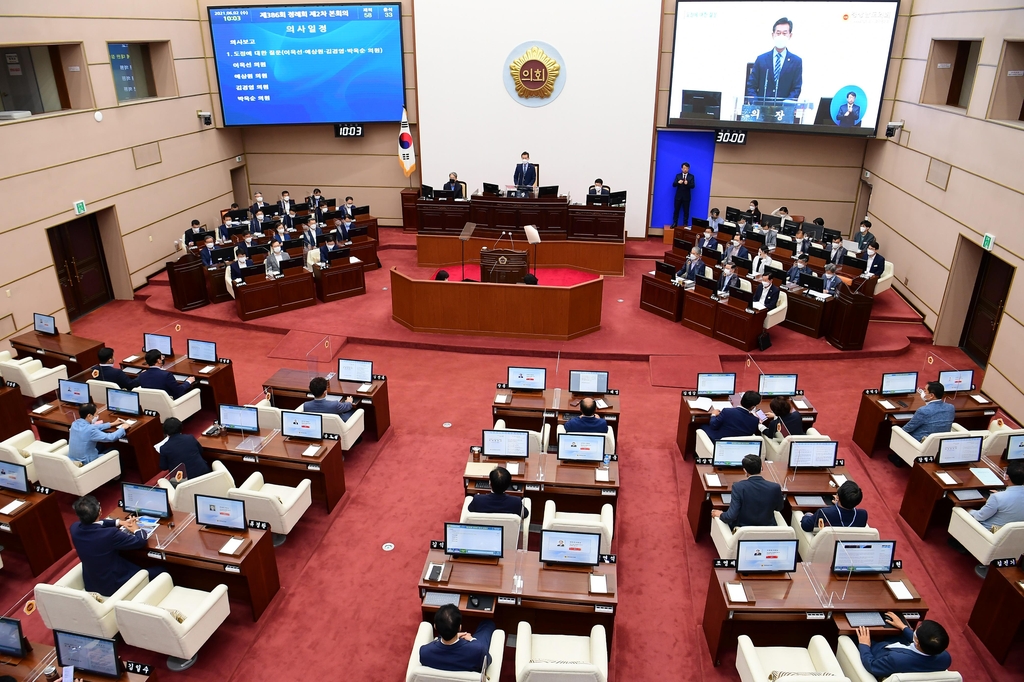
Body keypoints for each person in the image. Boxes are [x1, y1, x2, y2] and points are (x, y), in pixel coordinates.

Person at [70, 495, 162, 597]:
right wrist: (136, 529)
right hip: (114, 585)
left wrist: (119, 522)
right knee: (161, 570)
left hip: (93, 583)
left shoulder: (74, 529)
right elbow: (140, 542)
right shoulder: (109, 534)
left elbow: (96, 524)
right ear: (100, 510)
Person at [856, 616, 951, 677]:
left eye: (916, 632)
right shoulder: (945, 658)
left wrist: (865, 645)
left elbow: (871, 665)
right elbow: (922, 643)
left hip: (876, 652)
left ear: (917, 642)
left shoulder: (896, 660)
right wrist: (903, 627)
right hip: (900, 652)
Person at [712, 454, 784, 529]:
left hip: (744, 529)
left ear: (745, 470)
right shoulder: (775, 487)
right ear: (761, 468)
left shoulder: (738, 487)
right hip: (768, 530)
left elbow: (730, 516)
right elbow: (779, 508)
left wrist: (720, 514)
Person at [418, 604, 496, 673]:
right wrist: (473, 640)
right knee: (487, 624)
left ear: (435, 626)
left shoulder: (424, 652)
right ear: (460, 627)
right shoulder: (478, 650)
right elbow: (488, 661)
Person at [745, 17, 803, 101]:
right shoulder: (761, 59)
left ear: (790, 35)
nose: (781, 36)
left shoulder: (796, 61)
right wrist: (755, 103)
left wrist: (787, 104)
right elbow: (751, 85)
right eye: (778, 33)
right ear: (773, 35)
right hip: (762, 109)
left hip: (784, 111)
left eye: (784, 33)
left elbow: (796, 88)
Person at [969, 460, 1024, 531]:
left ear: (1006, 477)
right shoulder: (1000, 496)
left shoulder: (997, 498)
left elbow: (980, 517)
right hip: (1015, 536)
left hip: (989, 533)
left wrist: (969, 510)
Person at [801, 480, 867, 532]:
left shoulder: (824, 513)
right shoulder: (862, 515)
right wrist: (838, 503)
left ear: (837, 497)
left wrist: (807, 515)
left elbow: (806, 526)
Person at [672, 162, 694, 228]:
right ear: (681, 168)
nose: (685, 169)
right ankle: (675, 223)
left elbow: (693, 186)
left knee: (686, 211)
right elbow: (673, 185)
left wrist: (688, 184)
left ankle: (685, 224)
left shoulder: (691, 176)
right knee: (676, 210)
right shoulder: (678, 176)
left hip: (686, 197)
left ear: (688, 169)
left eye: (686, 168)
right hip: (678, 197)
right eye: (684, 168)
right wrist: (678, 182)